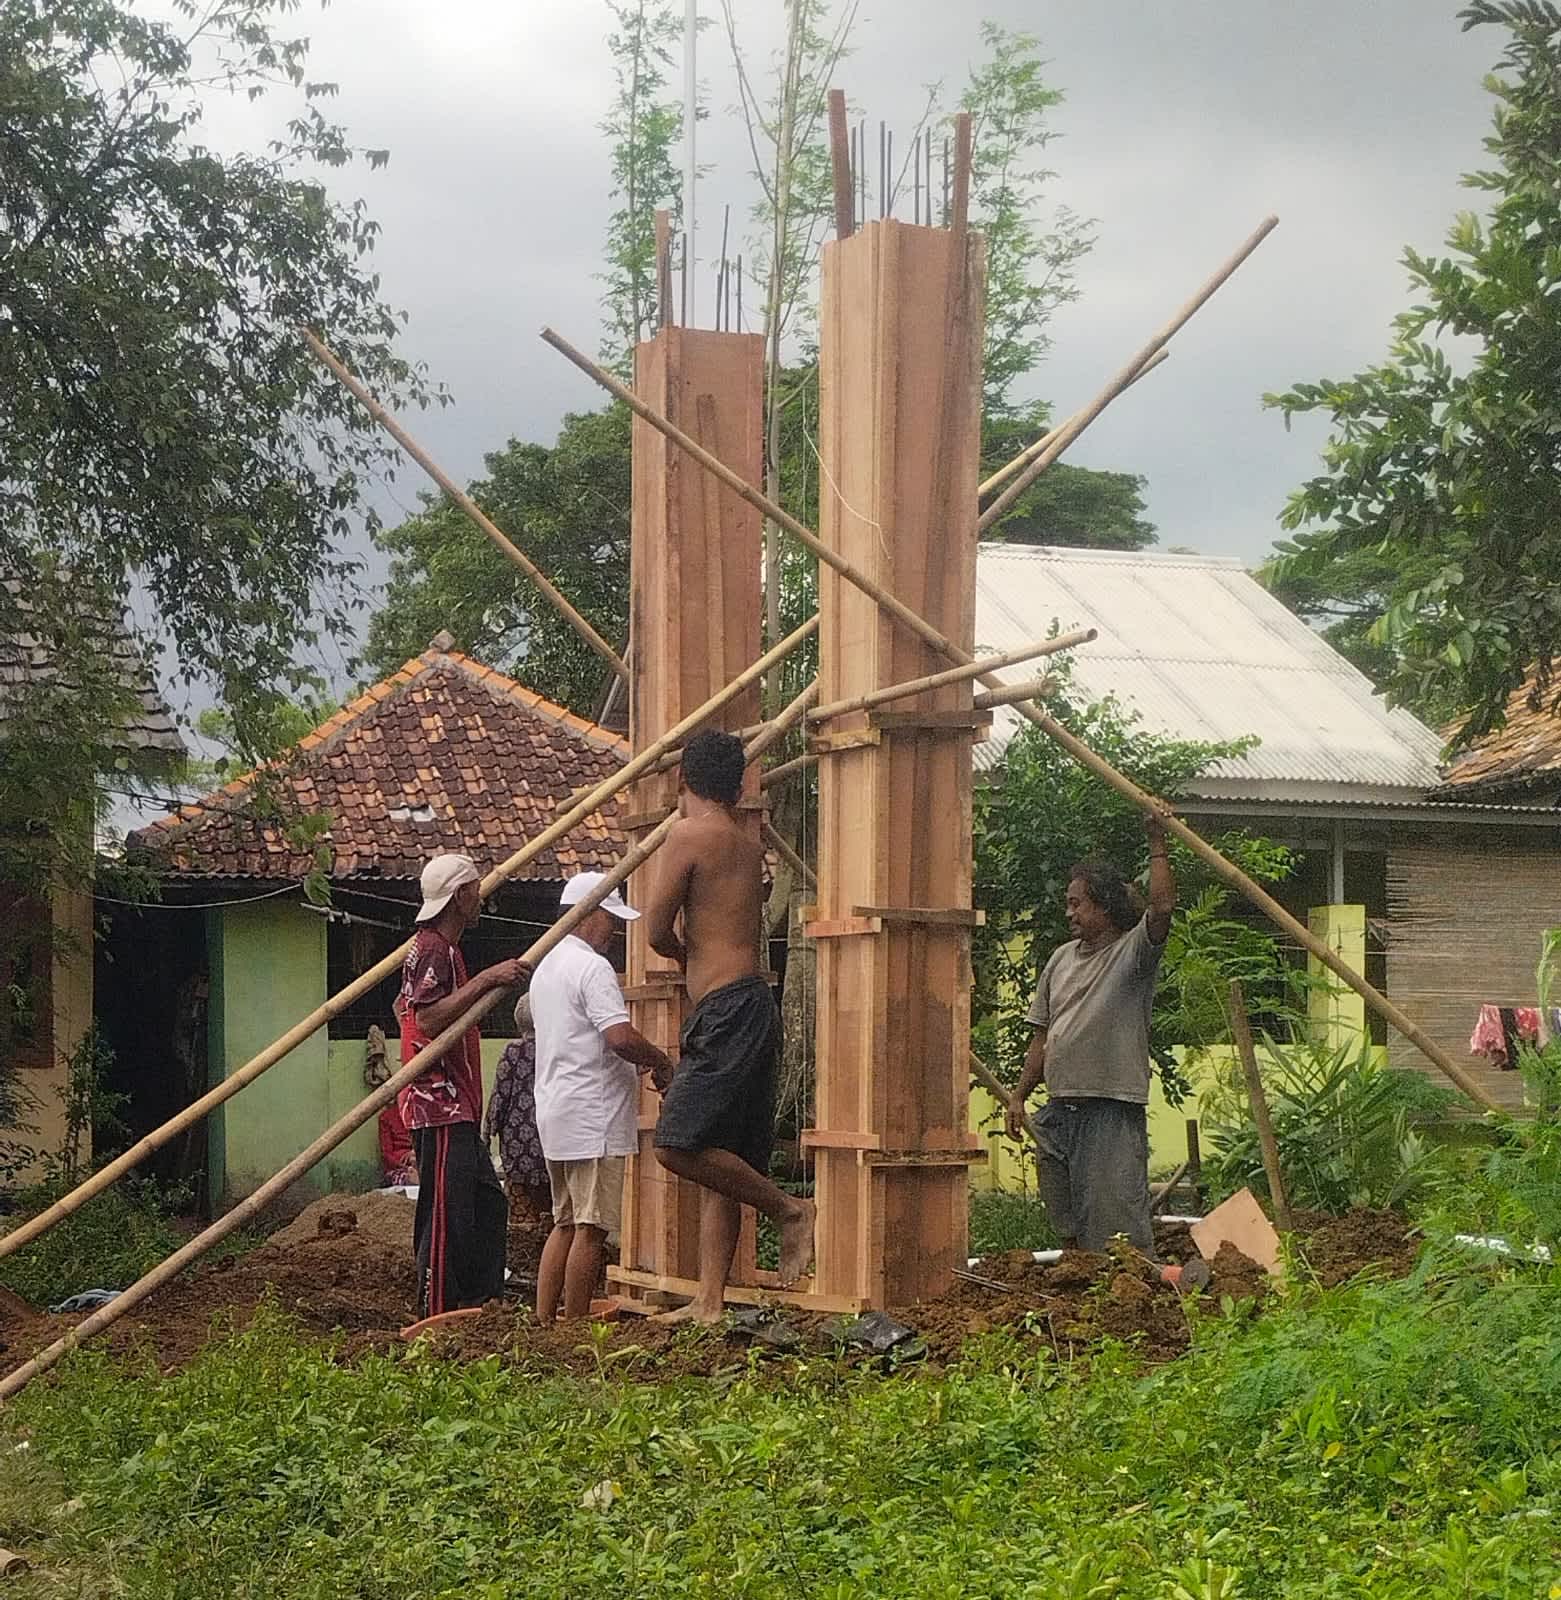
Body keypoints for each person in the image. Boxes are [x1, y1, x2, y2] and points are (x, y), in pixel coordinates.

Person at [645, 728, 815, 1326]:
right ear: (740, 787)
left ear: (681, 779)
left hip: (724, 1011)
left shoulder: (687, 835)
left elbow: (655, 929)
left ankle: (791, 1209)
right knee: (726, 1160)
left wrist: (682, 954)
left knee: (675, 1143)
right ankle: (709, 1300)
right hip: (755, 1005)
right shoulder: (746, 845)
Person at [1005, 813, 1177, 1257]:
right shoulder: (1061, 959)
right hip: (1059, 1111)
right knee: (1066, 1221)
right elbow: (1042, 1038)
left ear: (1104, 907)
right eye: (1068, 904)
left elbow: (1161, 909)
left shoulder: (1131, 954)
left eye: (1077, 903)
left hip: (1109, 1111)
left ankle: (1134, 1289)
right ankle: (1081, 1284)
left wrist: (1157, 840)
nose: (1070, 913)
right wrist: (1019, 1096)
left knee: (1116, 1230)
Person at [529, 872, 676, 1323]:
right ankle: (575, 1326)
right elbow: (619, 1037)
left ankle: (544, 1321)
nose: (612, 930)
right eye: (608, 919)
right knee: (591, 1228)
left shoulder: (546, 967)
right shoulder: (591, 968)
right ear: (585, 915)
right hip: (593, 1115)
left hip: (557, 1109)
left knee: (565, 1222)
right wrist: (660, 1060)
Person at [395, 851, 529, 1318]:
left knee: (487, 1204)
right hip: (438, 1104)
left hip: (457, 1102)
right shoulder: (433, 948)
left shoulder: (442, 949)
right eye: (475, 890)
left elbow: (405, 1007)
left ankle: (480, 1301)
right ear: (458, 897)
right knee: (446, 1212)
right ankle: (435, 1308)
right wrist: (489, 979)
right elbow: (427, 1019)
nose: (481, 898)